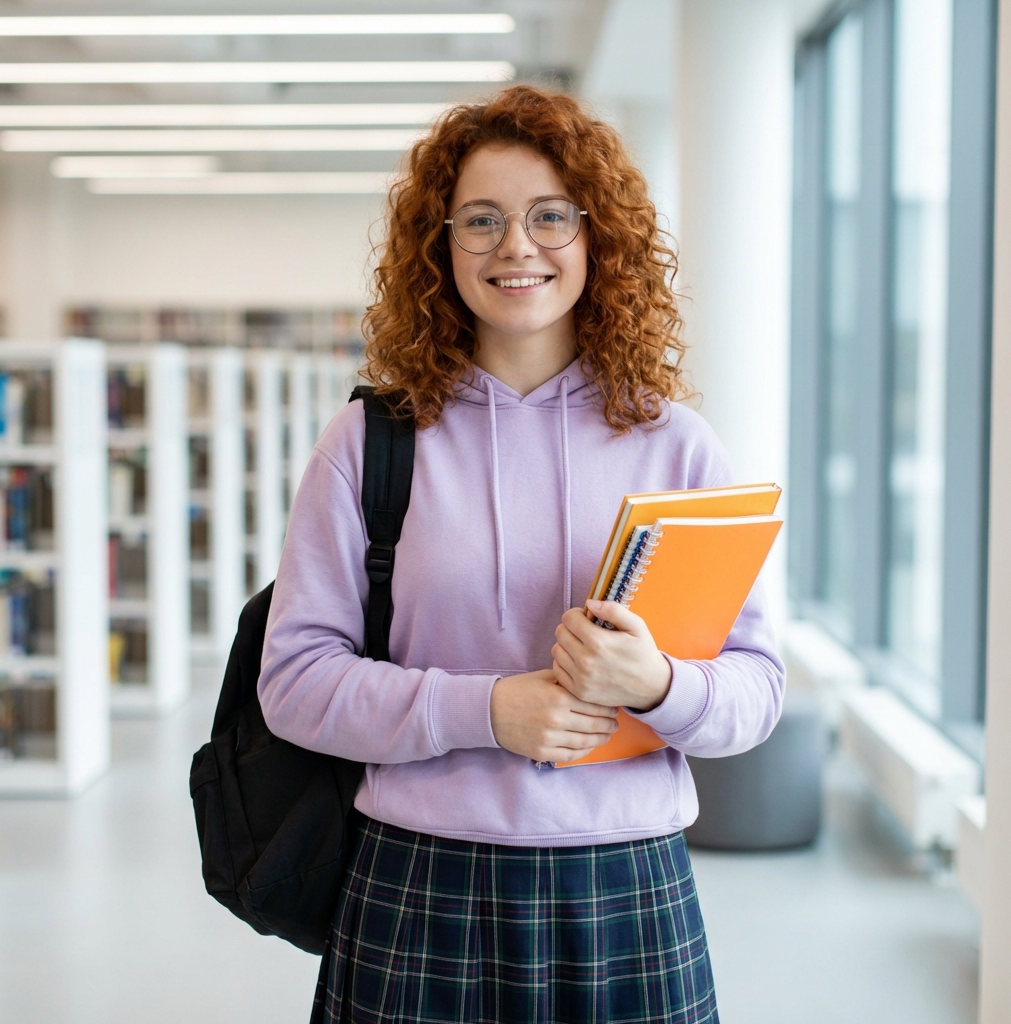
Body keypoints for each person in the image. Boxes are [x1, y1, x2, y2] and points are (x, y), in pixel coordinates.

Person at [258, 84, 784, 1024]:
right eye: (482, 220)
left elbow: (757, 691)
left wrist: (660, 684)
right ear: (439, 244)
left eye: (550, 216)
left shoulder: (677, 443)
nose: (516, 247)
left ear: (597, 237)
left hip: (626, 879)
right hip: (421, 880)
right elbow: (295, 684)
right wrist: (489, 709)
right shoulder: (372, 442)